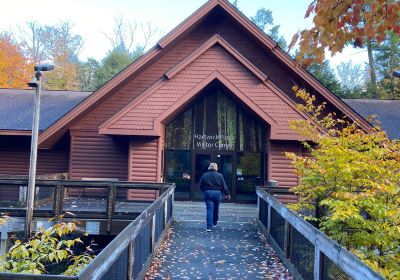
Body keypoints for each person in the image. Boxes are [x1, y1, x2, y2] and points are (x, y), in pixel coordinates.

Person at [199, 162, 231, 232]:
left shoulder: (205, 175)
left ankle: (208, 227)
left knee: (209, 209)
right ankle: (215, 222)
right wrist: (227, 194)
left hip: (208, 193)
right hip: (217, 194)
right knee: (216, 208)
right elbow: (224, 186)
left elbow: (201, 185)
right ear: (216, 168)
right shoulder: (220, 176)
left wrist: (204, 191)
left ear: (209, 167)